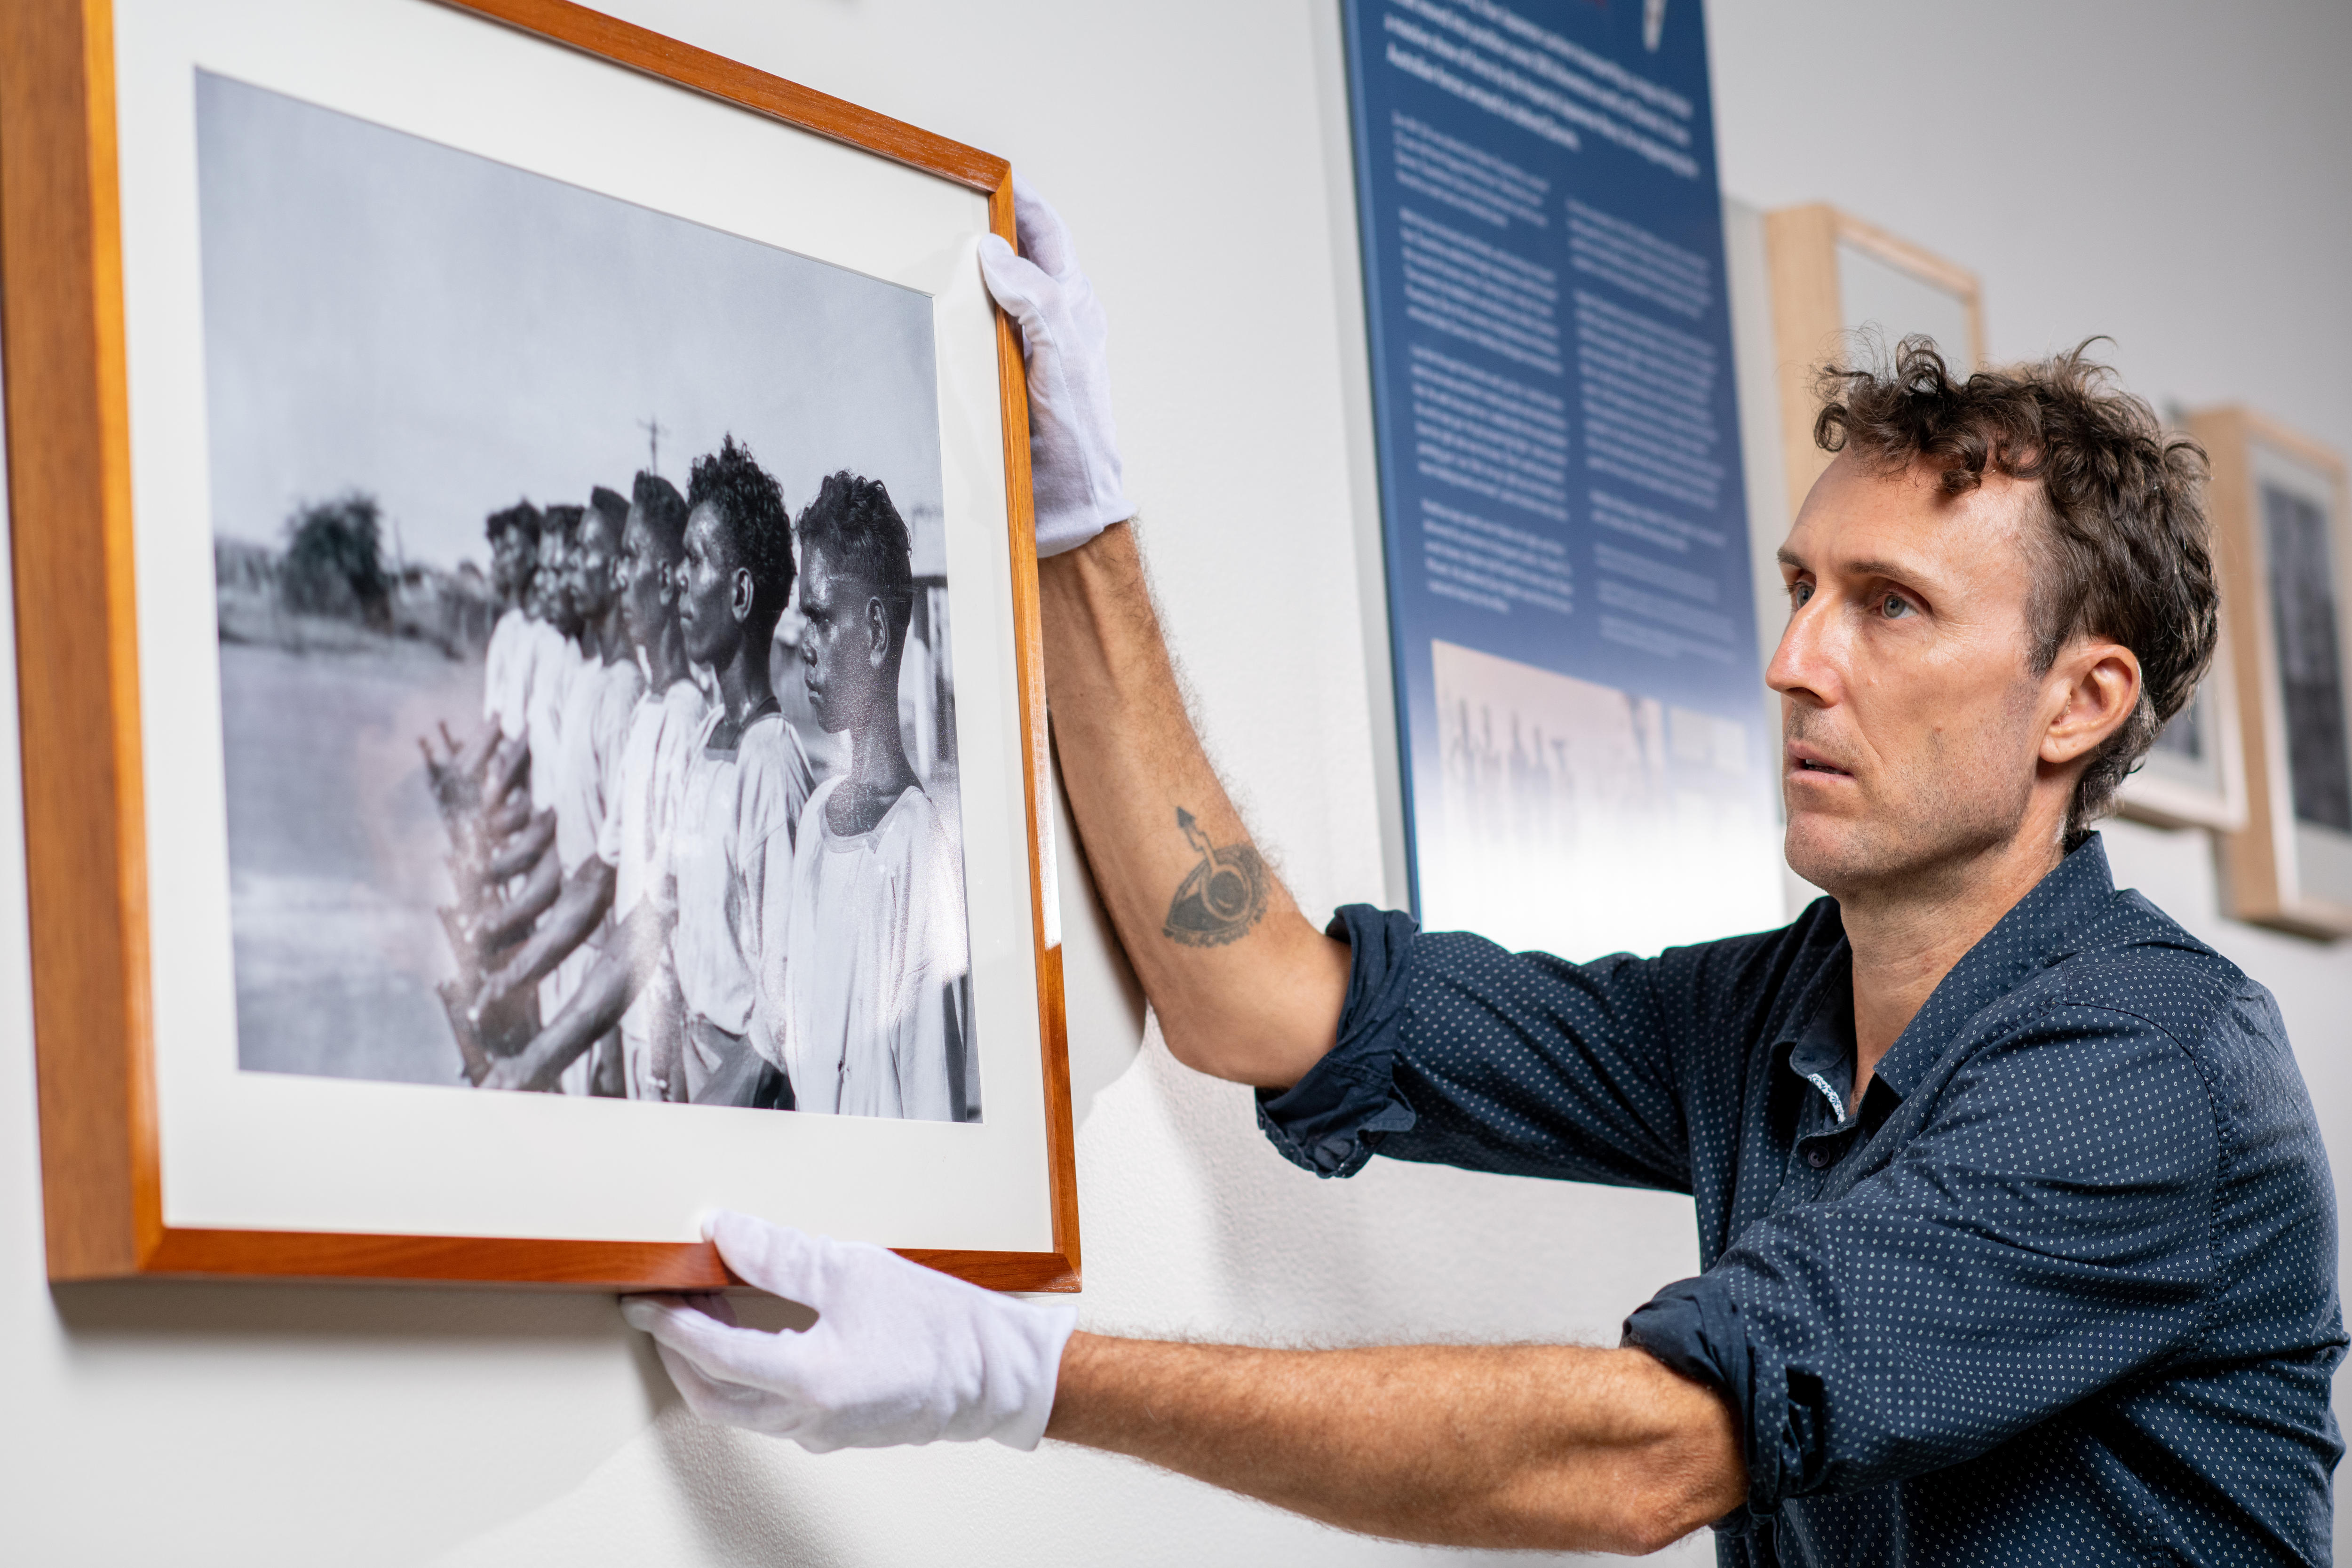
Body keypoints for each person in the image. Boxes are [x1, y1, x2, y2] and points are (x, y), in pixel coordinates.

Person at [622, 181, 2344, 1562]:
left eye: (1889, 606)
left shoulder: (2155, 1070)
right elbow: (1266, 1001)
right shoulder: (1771, 1012)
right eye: (1801, 588)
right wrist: (1083, 530)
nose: (1794, 661)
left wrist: (1016, 1373)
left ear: (2079, 702)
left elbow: (1647, 1452)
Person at [485, 472, 705, 1099]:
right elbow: (594, 868)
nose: (611, 573)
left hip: (647, 1023)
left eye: (623, 557)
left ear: (666, 578)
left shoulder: (670, 711)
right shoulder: (645, 706)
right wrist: (516, 967)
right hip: (605, 989)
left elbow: (643, 911)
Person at [779, 471, 968, 1121]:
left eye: (821, 618)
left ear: (877, 634)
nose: (806, 645)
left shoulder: (916, 847)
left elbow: (933, 1112)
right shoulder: (815, 821)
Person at [476, 486, 646, 1094]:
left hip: (605, 960)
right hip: (568, 937)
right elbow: (568, 842)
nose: (566, 576)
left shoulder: (624, 693)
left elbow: (610, 875)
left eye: (576, 559)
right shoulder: (591, 680)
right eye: (555, 566)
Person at [667, 435, 814, 1106]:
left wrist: (704, 1120)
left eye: (696, 560)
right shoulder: (707, 737)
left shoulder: (770, 763)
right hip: (696, 1065)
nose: (680, 578)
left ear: (741, 593)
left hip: (744, 1097)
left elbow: (782, 1021)